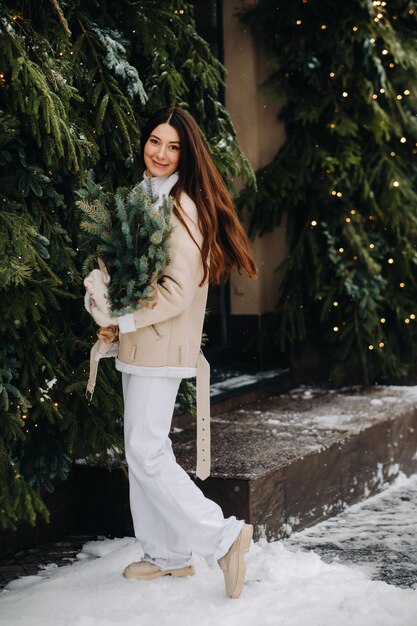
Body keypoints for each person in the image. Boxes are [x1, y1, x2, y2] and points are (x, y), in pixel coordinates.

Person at [85, 106, 258, 599]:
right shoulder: (143, 194)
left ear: (187, 153)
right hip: (139, 343)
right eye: (154, 141)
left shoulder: (182, 206)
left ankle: (223, 538)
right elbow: (126, 273)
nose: (159, 153)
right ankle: (167, 556)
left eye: (172, 146)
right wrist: (106, 305)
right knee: (143, 449)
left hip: (160, 345)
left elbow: (179, 289)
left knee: (145, 448)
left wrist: (125, 318)